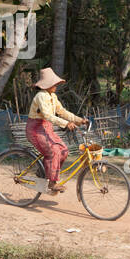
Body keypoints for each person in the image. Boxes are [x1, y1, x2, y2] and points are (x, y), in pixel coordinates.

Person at [25, 67, 84, 195]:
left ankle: (44, 172)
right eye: (54, 83)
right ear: (47, 85)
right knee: (53, 151)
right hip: (35, 130)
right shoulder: (41, 96)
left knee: (64, 151)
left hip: (46, 129)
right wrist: (66, 123)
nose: (56, 86)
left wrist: (79, 120)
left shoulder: (53, 96)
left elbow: (61, 111)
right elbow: (48, 116)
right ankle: (52, 182)